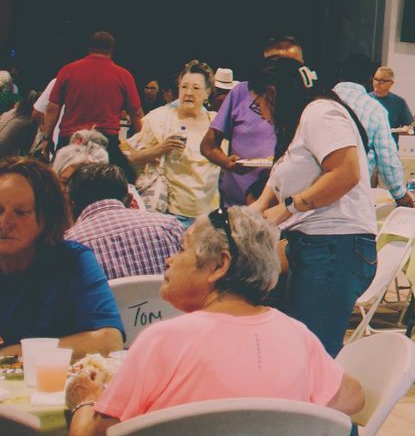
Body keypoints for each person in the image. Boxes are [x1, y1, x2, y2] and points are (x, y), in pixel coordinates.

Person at [63, 206, 365, 436]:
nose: (169, 260)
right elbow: (352, 397)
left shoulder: (163, 340)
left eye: (181, 249)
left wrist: (84, 400)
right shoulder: (295, 334)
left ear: (219, 265)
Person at [249, 58, 378, 356]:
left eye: (259, 104)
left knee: (315, 353)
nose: (262, 115)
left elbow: (345, 173)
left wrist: (288, 208)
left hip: (335, 244)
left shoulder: (320, 113)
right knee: (298, 347)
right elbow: (282, 174)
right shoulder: (299, 122)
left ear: (272, 92)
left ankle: (317, 404)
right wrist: (259, 206)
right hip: (313, 244)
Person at [0, 155, 123, 357]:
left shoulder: (72, 260)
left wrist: (15, 353)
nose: (5, 222)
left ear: (47, 218)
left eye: (21, 212)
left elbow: (110, 341)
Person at [202, 36, 301, 208]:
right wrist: (227, 162)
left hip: (286, 207)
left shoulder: (310, 103)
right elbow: (208, 145)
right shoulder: (242, 92)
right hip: (238, 203)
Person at [64, 158, 184, 280]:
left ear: (70, 205)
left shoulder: (67, 244)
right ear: (130, 200)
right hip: (164, 299)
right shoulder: (169, 227)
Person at [125, 63, 216, 219]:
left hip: (208, 217)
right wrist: (160, 149)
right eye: (184, 87)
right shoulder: (160, 118)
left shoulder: (215, 122)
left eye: (195, 88)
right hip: (169, 214)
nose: (188, 93)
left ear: (207, 92)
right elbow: (128, 156)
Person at [43, 30, 141, 149]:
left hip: (71, 139)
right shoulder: (123, 75)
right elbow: (135, 113)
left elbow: (52, 108)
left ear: (89, 48)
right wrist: (142, 140)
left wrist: (46, 139)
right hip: (106, 140)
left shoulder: (68, 70)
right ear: (112, 50)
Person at [335, 54, 408, 205]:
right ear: (370, 78)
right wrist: (400, 195)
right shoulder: (374, 109)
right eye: (376, 79)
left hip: (313, 195)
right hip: (353, 195)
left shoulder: (317, 101)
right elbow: (387, 158)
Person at [370, 65, 414, 131]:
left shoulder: (399, 102)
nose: (377, 83)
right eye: (375, 79)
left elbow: (409, 126)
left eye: (382, 81)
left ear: (391, 83)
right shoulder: (364, 99)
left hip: (391, 139)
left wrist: (401, 130)